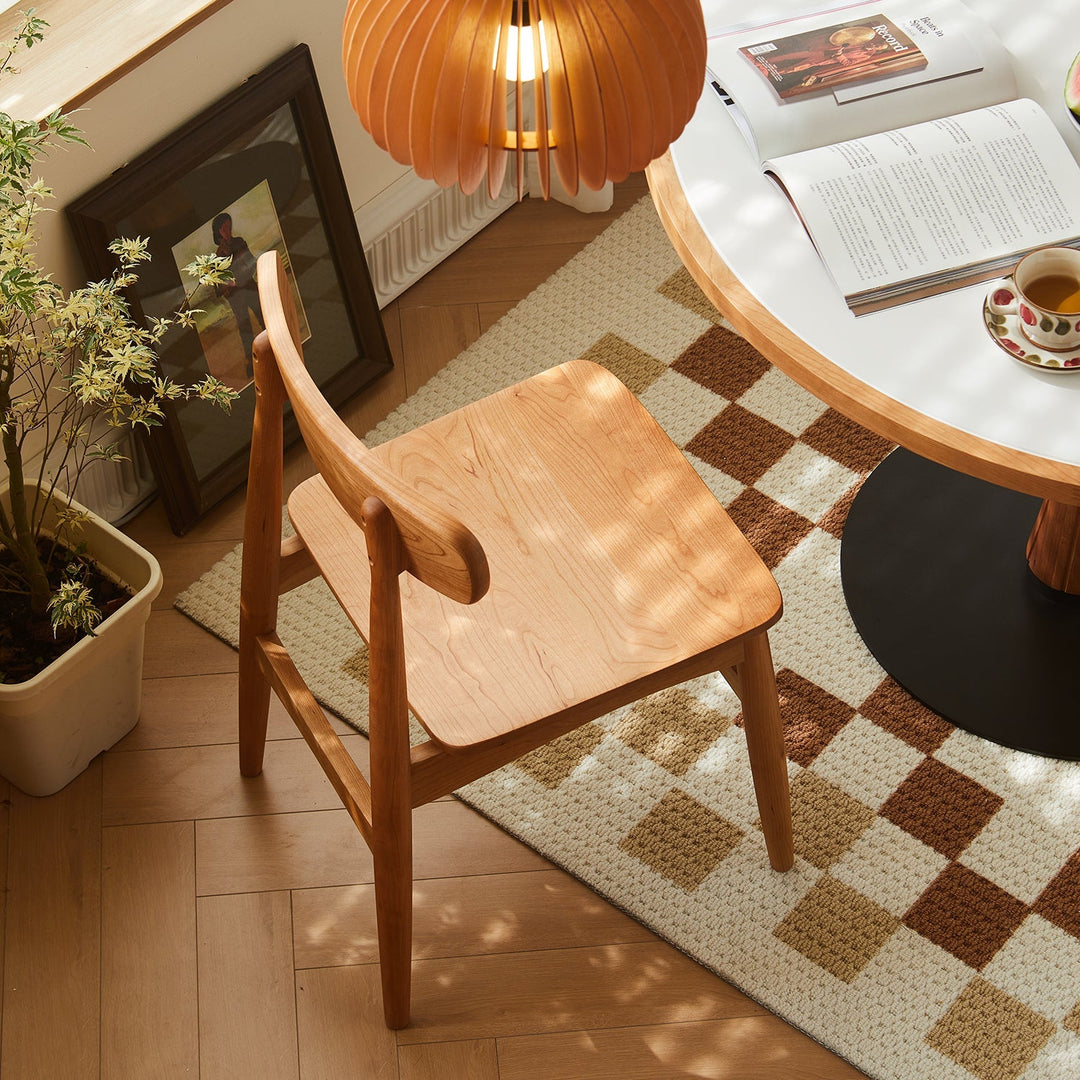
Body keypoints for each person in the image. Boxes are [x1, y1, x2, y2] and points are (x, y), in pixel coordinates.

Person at [212, 211, 262, 374]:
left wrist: (242, 276)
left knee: (263, 317)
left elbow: (251, 262)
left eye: (229, 226)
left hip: (249, 287)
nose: (228, 230)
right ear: (218, 232)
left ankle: (278, 348)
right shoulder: (216, 257)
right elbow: (217, 286)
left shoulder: (239, 242)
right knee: (245, 330)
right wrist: (228, 284)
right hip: (236, 297)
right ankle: (253, 363)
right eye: (224, 227)